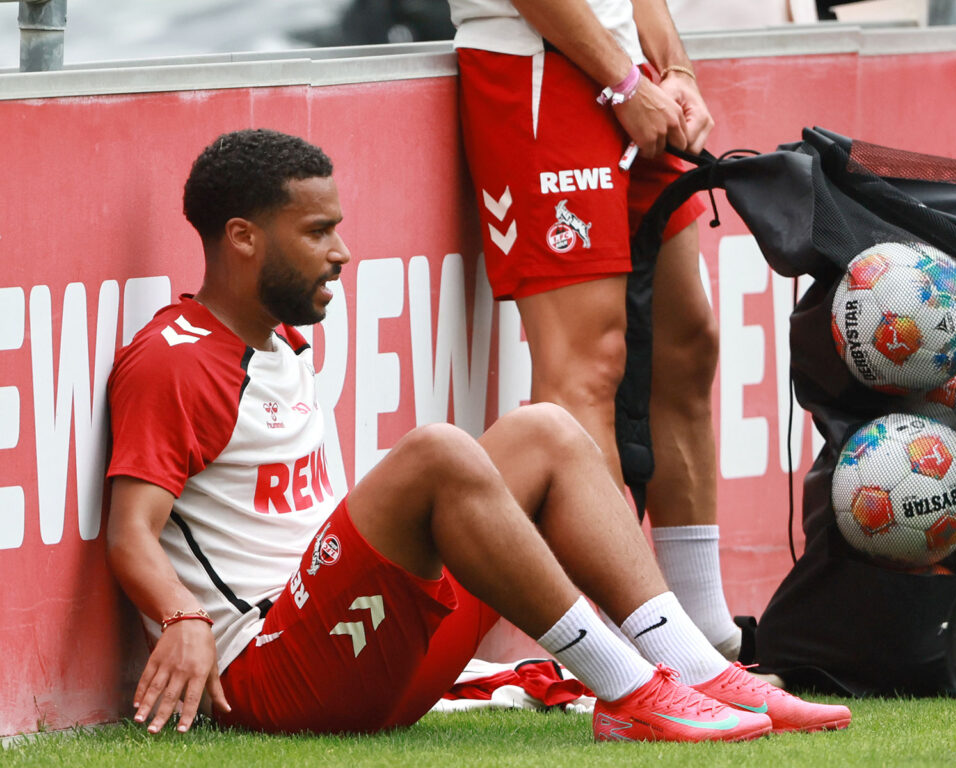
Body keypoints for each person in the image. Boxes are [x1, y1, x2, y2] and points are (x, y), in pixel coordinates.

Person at [105, 128, 849, 740]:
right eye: (317, 232)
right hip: (272, 682)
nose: (342, 253)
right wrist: (182, 616)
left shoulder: (280, 339)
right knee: (438, 452)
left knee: (546, 431)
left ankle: (694, 667)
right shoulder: (175, 361)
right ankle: (628, 692)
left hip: (358, 652)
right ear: (241, 238)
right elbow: (131, 531)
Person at [449, 0, 744, 658]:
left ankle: (709, 633)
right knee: (586, 366)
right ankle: (631, 654)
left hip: (626, 72)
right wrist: (624, 81)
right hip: (537, 65)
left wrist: (676, 71)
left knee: (688, 341)